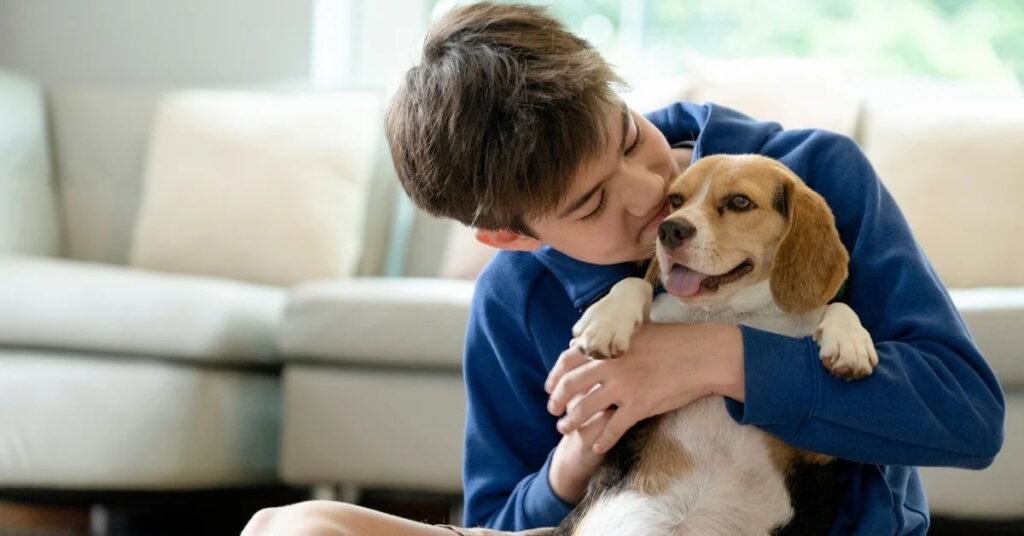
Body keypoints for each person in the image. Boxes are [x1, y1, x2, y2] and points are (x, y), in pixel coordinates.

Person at [243, 2, 1005, 535]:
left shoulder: (811, 175)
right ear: (513, 238)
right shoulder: (514, 298)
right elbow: (496, 518)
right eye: (589, 204)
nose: (650, 199)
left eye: (628, 135)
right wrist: (574, 459)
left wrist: (717, 358)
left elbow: (969, 420)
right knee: (288, 526)